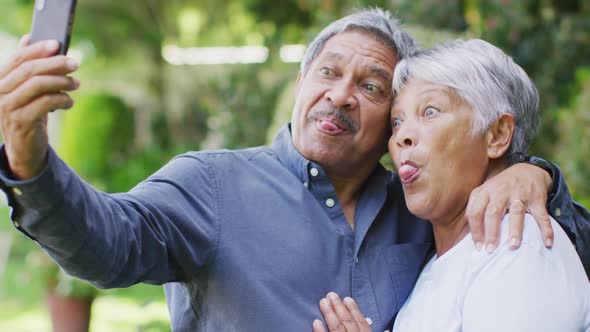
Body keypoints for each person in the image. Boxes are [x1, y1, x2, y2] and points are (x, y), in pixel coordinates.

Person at [0, 8, 587, 331]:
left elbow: (558, 257)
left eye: (372, 86)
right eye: (327, 73)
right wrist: (30, 160)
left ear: (391, 122)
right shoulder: (212, 185)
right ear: (300, 85)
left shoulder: (427, 210)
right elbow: (105, 244)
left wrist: (533, 175)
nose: (340, 96)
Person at [313, 39, 590, 332]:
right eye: (396, 122)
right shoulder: (440, 260)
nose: (402, 136)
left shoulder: (518, 245)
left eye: (429, 111)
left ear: (496, 135)